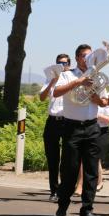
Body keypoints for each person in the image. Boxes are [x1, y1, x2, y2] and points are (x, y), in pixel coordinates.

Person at [53, 44, 109, 216]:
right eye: (86, 56)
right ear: (78, 58)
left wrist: (96, 96)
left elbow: (103, 103)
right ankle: (63, 204)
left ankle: (87, 209)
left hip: (92, 127)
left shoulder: (97, 77)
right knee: (69, 169)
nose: (90, 59)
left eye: (91, 55)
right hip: (72, 127)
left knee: (91, 170)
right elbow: (56, 92)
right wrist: (79, 82)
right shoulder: (67, 74)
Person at [40, 53, 71, 202]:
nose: (62, 65)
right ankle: (54, 190)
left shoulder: (72, 78)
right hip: (52, 121)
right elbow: (41, 97)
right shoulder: (50, 79)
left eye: (65, 63)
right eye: (59, 63)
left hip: (67, 121)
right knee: (52, 158)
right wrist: (53, 82)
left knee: (67, 158)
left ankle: (64, 190)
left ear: (69, 65)